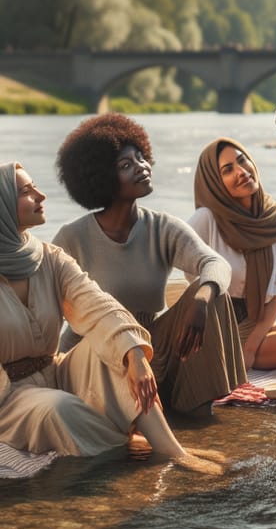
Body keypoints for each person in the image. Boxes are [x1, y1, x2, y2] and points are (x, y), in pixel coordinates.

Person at [0, 161, 225, 473]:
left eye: (37, 187)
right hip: (9, 397)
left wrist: (134, 355)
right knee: (58, 408)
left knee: (115, 351)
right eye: (27, 192)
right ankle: (137, 444)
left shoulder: (49, 258)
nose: (41, 196)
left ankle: (171, 450)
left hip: (56, 371)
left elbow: (98, 304)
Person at [54, 114, 246, 416]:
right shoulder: (72, 236)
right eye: (126, 165)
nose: (142, 167)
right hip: (95, 357)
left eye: (141, 157)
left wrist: (201, 299)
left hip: (150, 351)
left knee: (209, 289)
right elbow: (44, 305)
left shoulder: (162, 226)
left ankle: (196, 411)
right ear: (101, 177)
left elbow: (215, 263)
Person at [188, 137, 276, 370]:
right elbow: (188, 273)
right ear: (215, 182)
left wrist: (250, 347)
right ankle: (222, 359)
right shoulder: (206, 219)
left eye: (242, 161)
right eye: (228, 170)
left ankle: (229, 360)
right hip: (213, 323)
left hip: (256, 322)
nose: (241, 171)